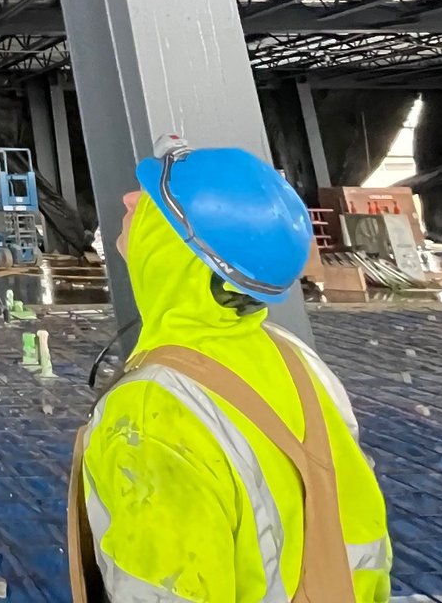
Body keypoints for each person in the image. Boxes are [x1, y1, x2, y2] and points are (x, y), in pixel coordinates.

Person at [70, 145, 392, 603]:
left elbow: (164, 592)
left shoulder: (153, 408)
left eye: (155, 200)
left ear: (179, 250)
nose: (128, 201)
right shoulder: (297, 360)